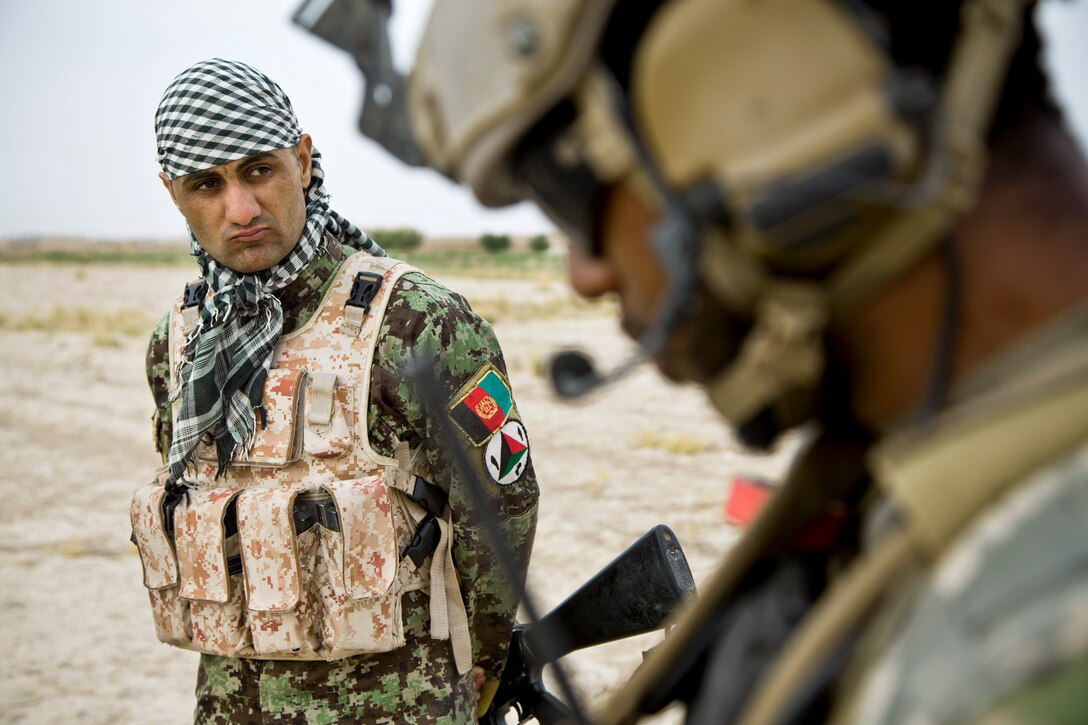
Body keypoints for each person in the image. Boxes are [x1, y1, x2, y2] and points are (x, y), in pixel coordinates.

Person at [307, 0, 1088, 721]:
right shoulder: (914, 491)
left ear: (744, 104)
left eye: (572, 194)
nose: (586, 271)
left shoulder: (1010, 658)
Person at [129, 58, 539, 724]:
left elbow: (503, 506)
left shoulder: (418, 322)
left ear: (302, 157)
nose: (241, 208)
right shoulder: (178, 347)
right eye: (207, 184)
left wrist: (475, 670)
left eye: (259, 169)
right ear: (173, 192)